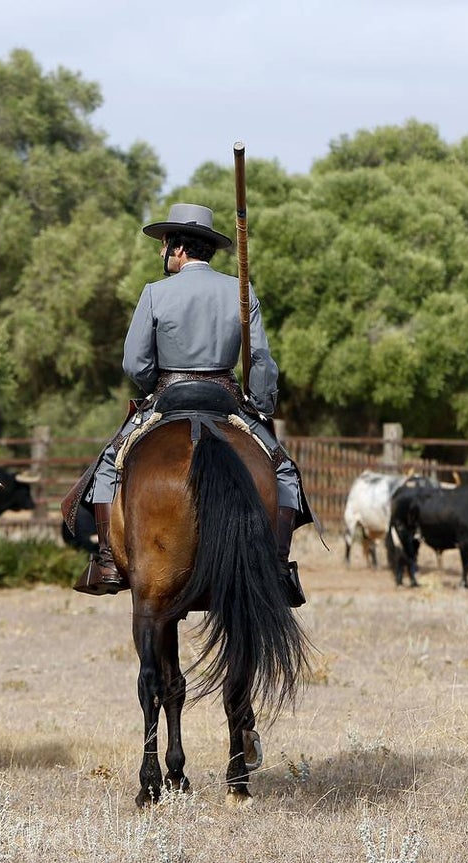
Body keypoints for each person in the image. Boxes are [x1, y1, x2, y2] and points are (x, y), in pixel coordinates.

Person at [73, 203, 311, 606]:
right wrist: (261, 400)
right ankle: (277, 564)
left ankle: (109, 559)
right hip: (227, 399)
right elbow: (260, 362)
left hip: (169, 397)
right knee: (284, 471)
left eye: (163, 245)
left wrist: (153, 384)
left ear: (178, 249)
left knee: (108, 466)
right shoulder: (241, 291)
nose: (160, 253)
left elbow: (135, 363)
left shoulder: (154, 293)